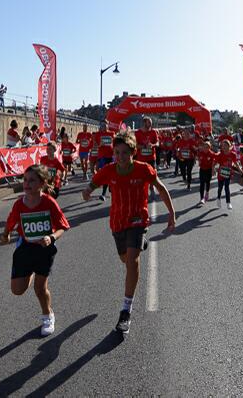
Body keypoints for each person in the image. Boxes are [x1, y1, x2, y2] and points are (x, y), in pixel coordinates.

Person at [81, 131, 176, 335]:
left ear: (133, 152)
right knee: (125, 259)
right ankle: (137, 246)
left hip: (137, 220)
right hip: (117, 223)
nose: (120, 156)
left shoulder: (144, 169)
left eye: (125, 152)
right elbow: (93, 184)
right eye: (117, 152)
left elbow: (160, 188)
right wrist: (87, 191)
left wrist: (171, 213)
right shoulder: (109, 170)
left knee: (132, 261)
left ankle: (126, 309)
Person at [0, 164, 69, 337]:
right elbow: (10, 222)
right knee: (17, 290)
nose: (27, 184)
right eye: (25, 180)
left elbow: (63, 226)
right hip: (25, 247)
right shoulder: (19, 204)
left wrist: (51, 237)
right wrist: (6, 234)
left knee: (40, 287)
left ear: (42, 183)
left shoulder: (49, 202)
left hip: (44, 249)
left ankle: (47, 315)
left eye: (32, 180)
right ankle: (30, 272)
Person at [92, 123, 115, 201]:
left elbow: (114, 143)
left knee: (110, 174)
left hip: (110, 156)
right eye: (102, 126)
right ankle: (106, 188)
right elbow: (95, 145)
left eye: (105, 126)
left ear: (107, 126)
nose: (103, 127)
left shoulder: (111, 133)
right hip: (102, 156)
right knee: (104, 173)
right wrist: (100, 145)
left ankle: (104, 193)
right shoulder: (98, 134)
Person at [215, 140, 240, 209]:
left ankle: (228, 203)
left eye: (225, 146)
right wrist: (213, 169)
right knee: (220, 188)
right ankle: (218, 198)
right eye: (222, 146)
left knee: (226, 187)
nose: (224, 147)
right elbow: (215, 163)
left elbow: (235, 163)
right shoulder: (220, 154)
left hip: (228, 173)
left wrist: (240, 170)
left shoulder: (233, 154)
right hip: (221, 174)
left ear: (229, 146)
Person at [196, 141, 218, 206]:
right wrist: (199, 161)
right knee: (202, 183)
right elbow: (198, 158)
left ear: (209, 147)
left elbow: (216, 160)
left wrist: (213, 168)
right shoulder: (200, 153)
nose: (205, 148)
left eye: (207, 147)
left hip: (209, 170)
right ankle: (202, 198)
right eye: (204, 147)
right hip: (202, 169)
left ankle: (207, 192)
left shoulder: (212, 154)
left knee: (207, 182)